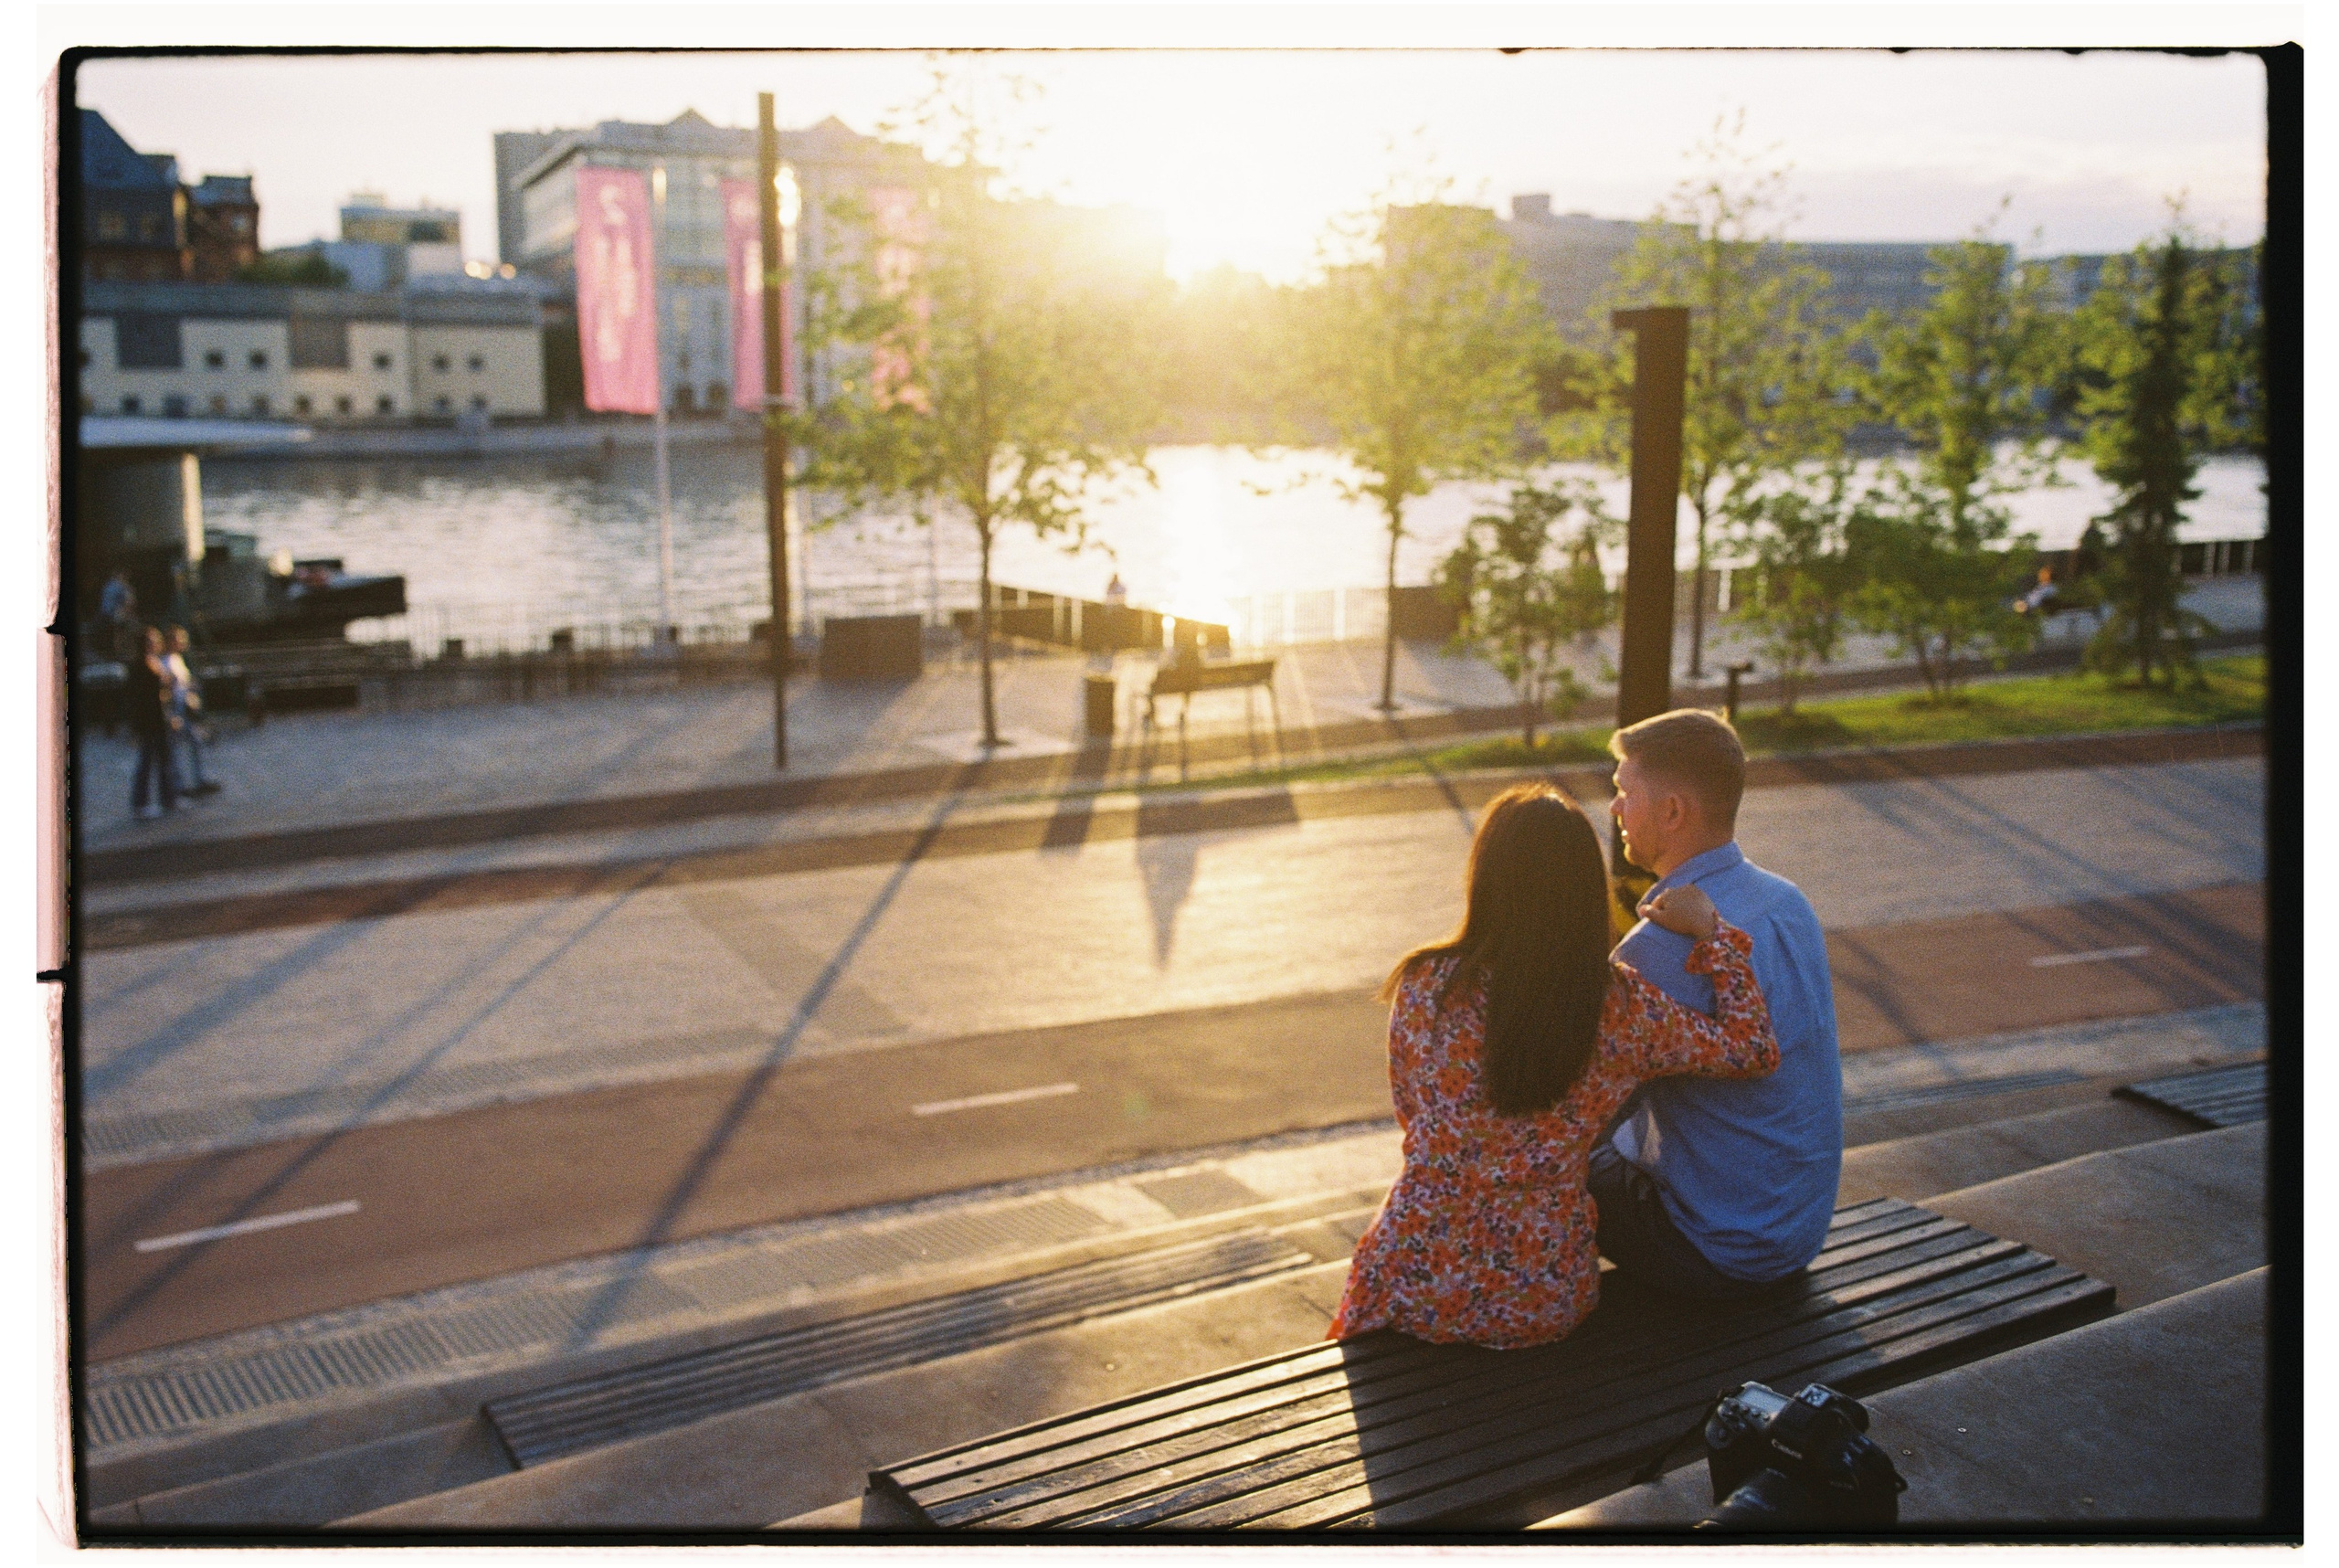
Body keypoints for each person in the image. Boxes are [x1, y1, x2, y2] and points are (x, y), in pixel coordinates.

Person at [1327, 783, 1777, 1351]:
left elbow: (1412, 1112)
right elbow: (1752, 1049)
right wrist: (1713, 935)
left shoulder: (1426, 984)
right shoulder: (1618, 1008)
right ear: (1585, 891)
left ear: (1485, 879)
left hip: (1410, 1280)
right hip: (1536, 1293)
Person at [1594, 708, 1842, 1298]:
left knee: (1539, 1160)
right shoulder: (1786, 902)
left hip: (1716, 1249)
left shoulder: (1655, 949)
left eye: (1624, 791)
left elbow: (1586, 1110)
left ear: (1673, 811)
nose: (1615, 808)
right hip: (1796, 1231)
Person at [125, 624, 177, 819]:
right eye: (150, 641)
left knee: (165, 760)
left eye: (155, 640)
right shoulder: (138, 665)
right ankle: (140, 804)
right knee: (146, 762)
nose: (154, 644)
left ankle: (169, 799)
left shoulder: (156, 661)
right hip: (148, 719)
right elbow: (137, 698)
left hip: (161, 717)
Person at [163, 626, 220, 797]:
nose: (183, 642)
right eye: (179, 639)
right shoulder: (166, 661)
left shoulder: (177, 659)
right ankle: (180, 785)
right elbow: (167, 688)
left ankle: (196, 780)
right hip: (176, 710)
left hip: (185, 708)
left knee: (193, 742)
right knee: (175, 748)